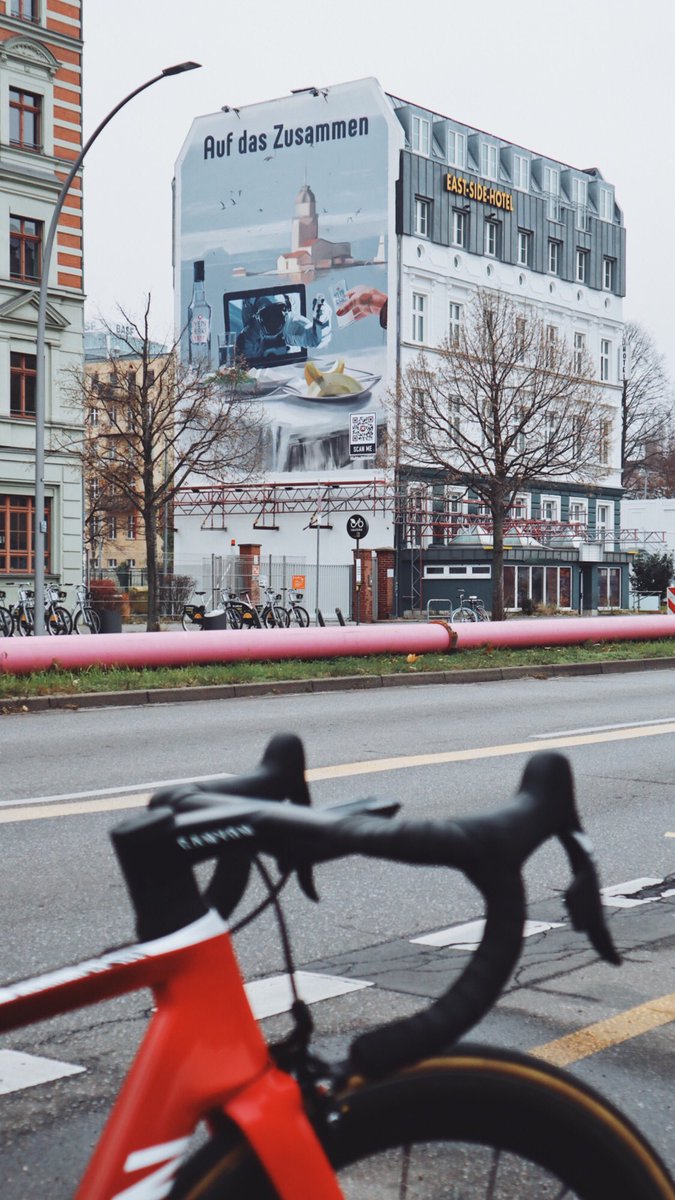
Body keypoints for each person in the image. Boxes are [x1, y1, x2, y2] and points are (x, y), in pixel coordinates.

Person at [235, 293, 331, 362]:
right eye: (268, 316)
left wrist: (320, 322)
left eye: (275, 315)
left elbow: (314, 339)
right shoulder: (252, 330)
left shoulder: (289, 323)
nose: (273, 320)